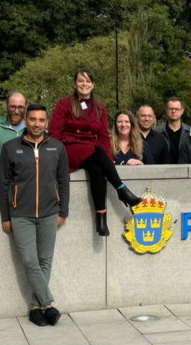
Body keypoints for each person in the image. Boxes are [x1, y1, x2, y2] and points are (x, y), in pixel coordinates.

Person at [0, 104, 69, 327]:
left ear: (46, 123)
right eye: (33, 119)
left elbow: (63, 181)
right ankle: (48, 303)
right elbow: (3, 184)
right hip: (21, 214)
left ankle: (35, 308)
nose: (37, 124)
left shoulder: (57, 148)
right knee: (29, 260)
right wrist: (6, 216)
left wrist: (63, 210)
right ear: (25, 121)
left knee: (45, 260)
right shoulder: (11, 147)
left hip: (50, 212)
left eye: (41, 120)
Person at [49, 69, 143, 237]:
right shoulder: (64, 104)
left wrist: (109, 160)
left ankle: (101, 219)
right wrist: (55, 155)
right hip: (68, 148)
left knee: (98, 169)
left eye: (88, 81)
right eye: (80, 81)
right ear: (75, 84)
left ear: (93, 85)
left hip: (91, 151)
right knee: (97, 151)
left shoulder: (100, 107)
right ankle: (122, 190)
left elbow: (103, 137)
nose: (84, 84)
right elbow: (54, 132)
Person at [0, 92, 27, 165]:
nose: (16, 111)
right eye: (12, 107)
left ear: (25, 106)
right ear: (6, 105)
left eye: (20, 107)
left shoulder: (32, 131)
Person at [154, 97, 190, 164]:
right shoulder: (156, 132)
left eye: (176, 109)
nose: (173, 111)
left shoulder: (190, 132)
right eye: (171, 109)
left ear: (182, 111)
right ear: (166, 110)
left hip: (184, 171)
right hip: (163, 171)